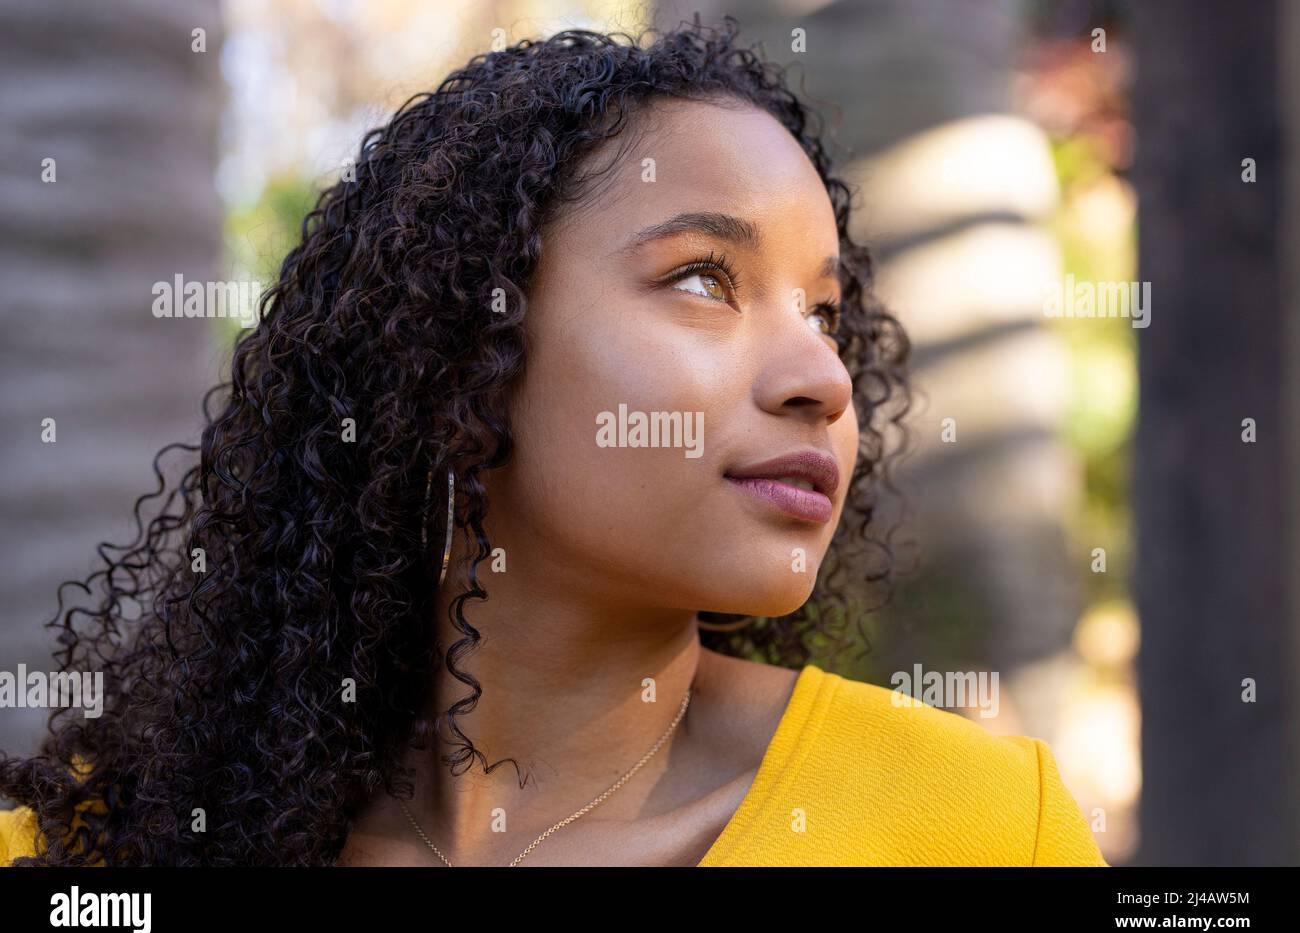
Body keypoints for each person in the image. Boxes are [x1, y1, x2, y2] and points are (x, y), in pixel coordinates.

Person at [0, 16, 1106, 867]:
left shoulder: (978, 825)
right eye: (701, 278)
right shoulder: (106, 851)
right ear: (458, 343)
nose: (822, 377)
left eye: (824, 313)